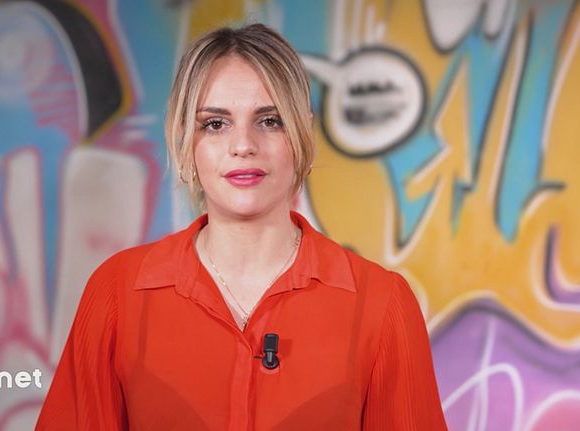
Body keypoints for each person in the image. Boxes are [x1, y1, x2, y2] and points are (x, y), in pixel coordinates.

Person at [36, 23, 447, 430]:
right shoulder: (117, 294)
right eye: (216, 124)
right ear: (184, 138)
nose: (243, 145)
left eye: (269, 121)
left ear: (302, 132)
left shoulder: (382, 304)